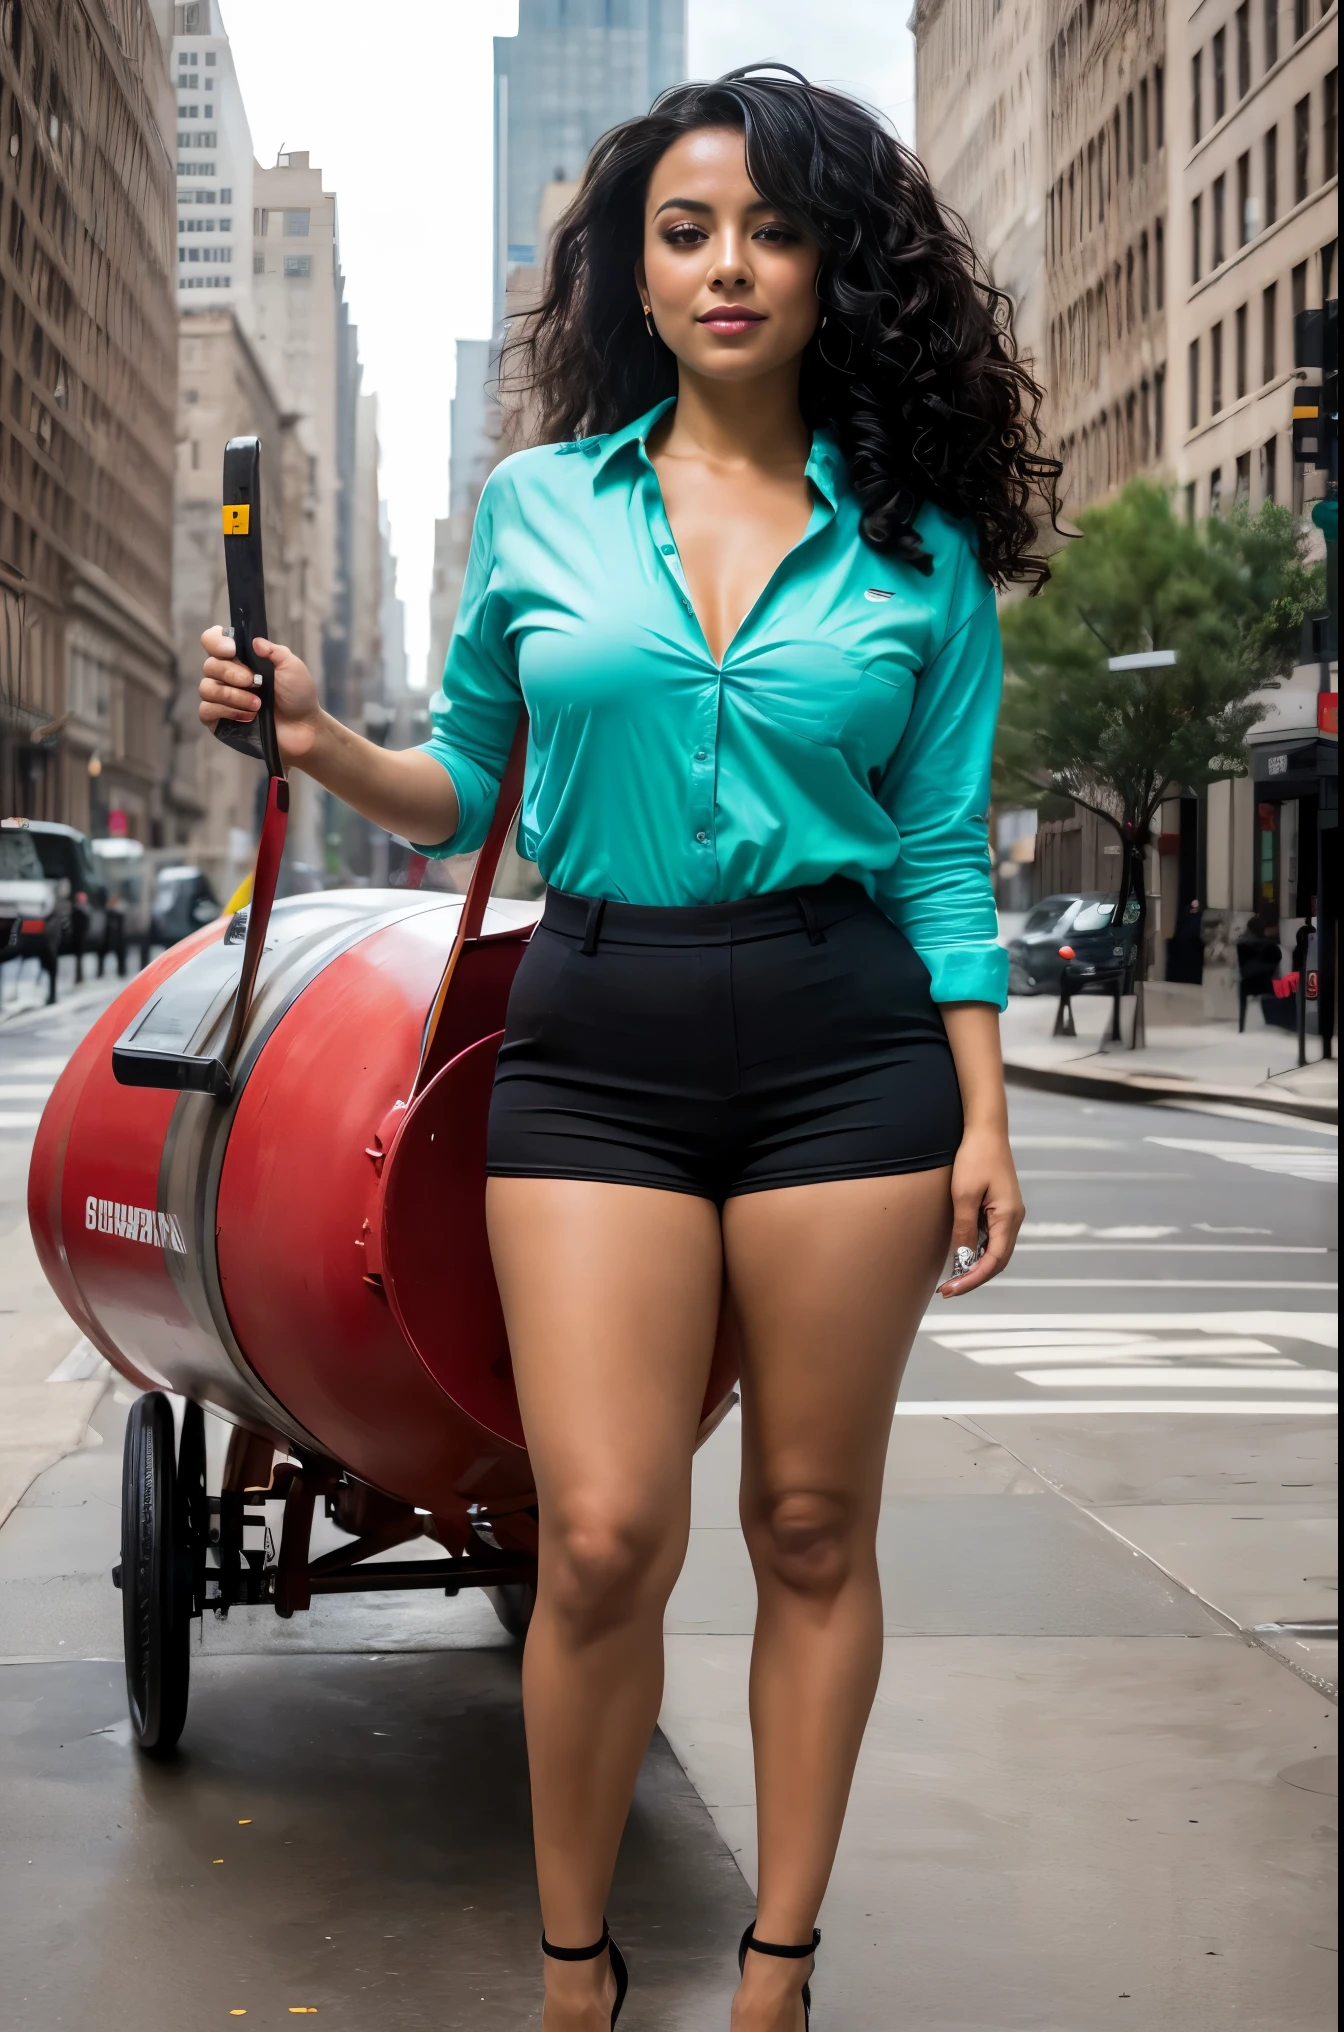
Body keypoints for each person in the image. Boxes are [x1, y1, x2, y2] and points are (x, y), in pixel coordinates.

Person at [200, 67, 1056, 2032]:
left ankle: (776, 1972)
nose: (729, 262)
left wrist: (988, 1103)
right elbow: (461, 790)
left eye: (770, 226)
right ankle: (575, 1969)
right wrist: (325, 742)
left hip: (855, 1053)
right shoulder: (537, 507)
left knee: (812, 1520)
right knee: (596, 1529)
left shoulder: (917, 551)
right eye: (687, 231)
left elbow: (937, 848)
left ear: (837, 266)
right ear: (634, 277)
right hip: (594, 1034)